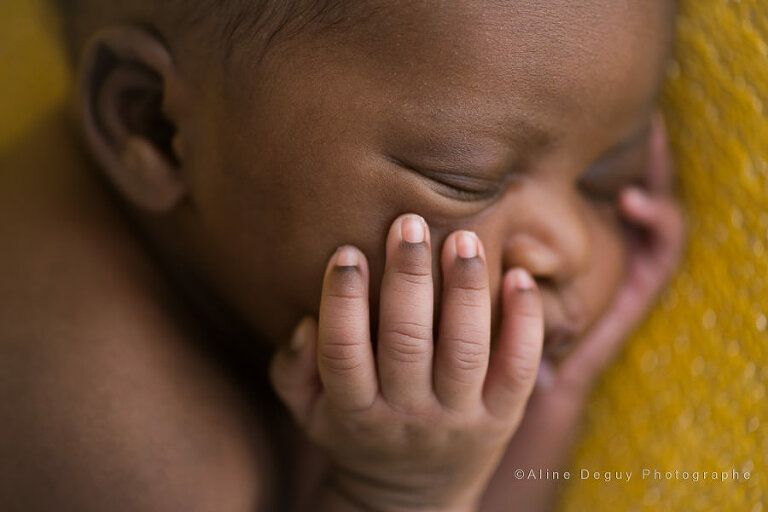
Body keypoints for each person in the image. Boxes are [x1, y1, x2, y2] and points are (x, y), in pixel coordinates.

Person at [0, 0, 685, 510]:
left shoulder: (229, 252)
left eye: (606, 181)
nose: (569, 246)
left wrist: (545, 397)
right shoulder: (122, 448)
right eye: (462, 178)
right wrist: (391, 495)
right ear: (155, 124)